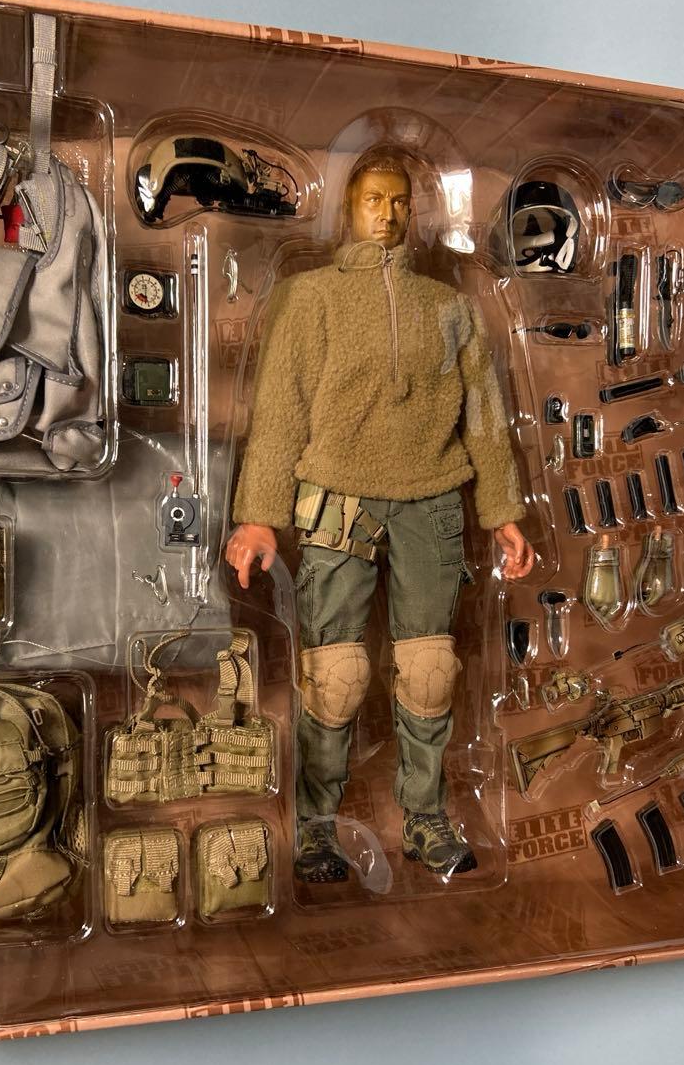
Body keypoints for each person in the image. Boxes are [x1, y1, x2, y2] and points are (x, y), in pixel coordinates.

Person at [225, 152, 533, 882]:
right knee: (333, 675)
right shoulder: (309, 297)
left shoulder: (449, 307)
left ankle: (425, 819)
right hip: (336, 495)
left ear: (413, 212)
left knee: (429, 671)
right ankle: (316, 826)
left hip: (432, 496)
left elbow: (486, 417)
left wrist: (502, 511)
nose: (387, 214)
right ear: (348, 208)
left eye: (399, 202)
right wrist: (260, 517)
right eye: (372, 199)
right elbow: (279, 413)